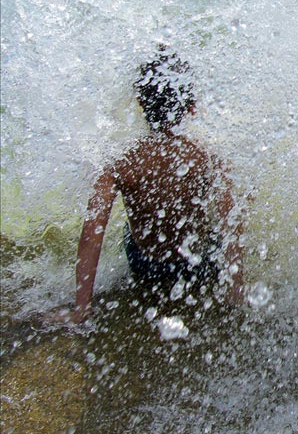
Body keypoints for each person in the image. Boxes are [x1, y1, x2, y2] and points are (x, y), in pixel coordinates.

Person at [56, 51, 245, 324]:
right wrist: (236, 292)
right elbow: (232, 221)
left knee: (128, 229)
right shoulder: (208, 158)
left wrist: (81, 308)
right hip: (199, 262)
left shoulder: (120, 162)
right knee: (212, 223)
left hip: (146, 267)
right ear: (191, 105)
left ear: (141, 103)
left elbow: (91, 232)